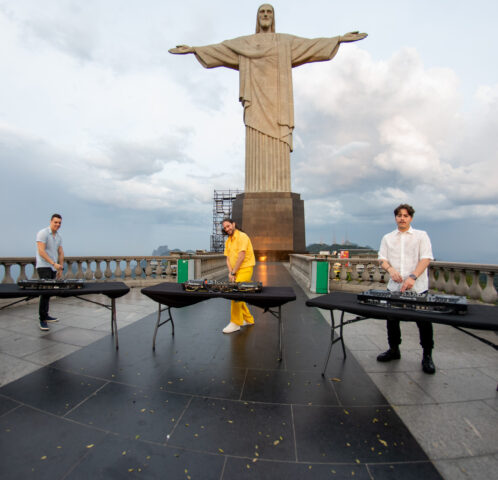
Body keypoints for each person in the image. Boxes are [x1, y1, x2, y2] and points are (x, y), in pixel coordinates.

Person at [169, 4, 367, 193]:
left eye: (269, 12)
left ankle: (278, 188)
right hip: (255, 100)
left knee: (278, 144)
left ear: (273, 18)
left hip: (279, 103)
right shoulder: (243, 43)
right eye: (262, 12)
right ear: (257, 17)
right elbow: (221, 49)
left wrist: (339, 39)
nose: (265, 15)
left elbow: (311, 45)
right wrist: (194, 49)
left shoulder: (284, 42)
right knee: (255, 139)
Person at [377, 204, 436, 374]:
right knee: (392, 320)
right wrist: (391, 270)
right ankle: (394, 349)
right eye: (399, 215)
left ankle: (427, 355)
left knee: (424, 322)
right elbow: (382, 259)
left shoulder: (421, 236)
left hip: (418, 287)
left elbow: (426, 258)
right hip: (394, 287)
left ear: (411, 218)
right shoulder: (387, 237)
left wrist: (413, 276)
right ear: (395, 217)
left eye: (406, 215)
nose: (402, 218)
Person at [222, 218, 256, 333]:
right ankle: (248, 319)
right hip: (235, 270)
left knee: (235, 293)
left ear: (233, 224)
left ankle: (236, 323)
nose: (227, 229)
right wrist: (230, 272)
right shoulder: (228, 241)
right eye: (225, 228)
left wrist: (233, 272)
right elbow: (228, 258)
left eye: (228, 226)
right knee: (239, 295)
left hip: (245, 269)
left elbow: (241, 256)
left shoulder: (242, 236)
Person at [36, 214, 64, 331]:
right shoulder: (43, 233)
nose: (57, 224)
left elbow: (61, 252)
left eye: (59, 223)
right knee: (45, 292)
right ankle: (42, 320)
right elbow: (41, 251)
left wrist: (60, 268)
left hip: (53, 267)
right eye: (55, 222)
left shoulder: (58, 236)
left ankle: (46, 315)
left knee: (48, 293)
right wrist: (53, 263)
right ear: (51, 221)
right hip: (43, 266)